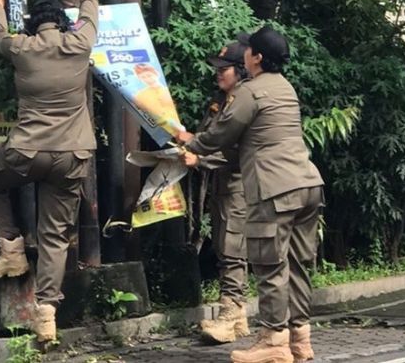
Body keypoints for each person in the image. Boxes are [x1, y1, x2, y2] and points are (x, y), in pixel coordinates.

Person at [0, 0, 97, 344]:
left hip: (27, 153)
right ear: (63, 24)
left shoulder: (23, 48)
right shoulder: (81, 42)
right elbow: (90, 2)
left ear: (34, 25)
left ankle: (9, 249)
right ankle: (46, 312)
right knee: (54, 235)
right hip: (73, 155)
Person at [177, 26, 324, 363]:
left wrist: (192, 143)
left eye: (249, 50)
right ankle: (300, 340)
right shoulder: (285, 87)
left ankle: (273, 342)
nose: (244, 53)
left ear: (256, 58)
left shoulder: (251, 91)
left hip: (275, 190)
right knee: (298, 266)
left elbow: (221, 135)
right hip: (308, 183)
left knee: (270, 266)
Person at [182, 42, 250, 344]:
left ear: (242, 70)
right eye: (217, 69)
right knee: (225, 250)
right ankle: (238, 319)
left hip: (239, 187)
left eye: (224, 69)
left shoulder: (243, 102)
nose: (218, 74)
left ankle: (230, 314)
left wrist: (200, 158)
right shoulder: (222, 101)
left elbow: (237, 150)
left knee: (232, 252)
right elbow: (209, 138)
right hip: (221, 187)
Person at [132, 62, 182, 134]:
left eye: (149, 75)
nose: (147, 79)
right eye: (143, 77)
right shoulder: (140, 95)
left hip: (174, 129)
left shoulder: (168, 91)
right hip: (153, 129)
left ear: (156, 74)